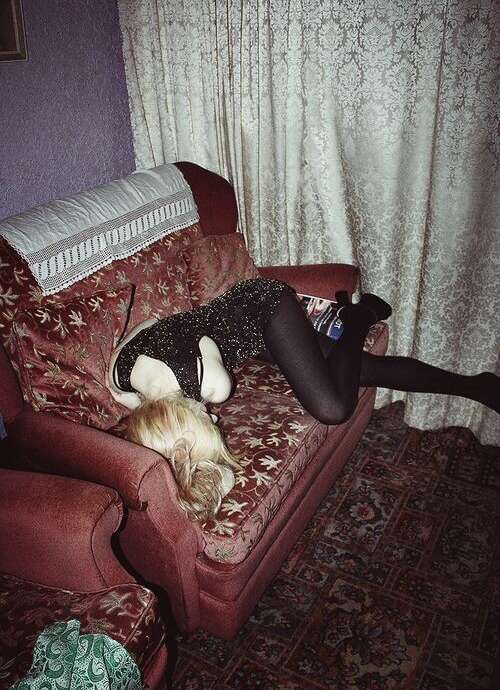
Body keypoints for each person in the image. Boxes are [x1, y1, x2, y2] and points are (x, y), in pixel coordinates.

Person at [108, 278, 500, 520]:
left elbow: (222, 469)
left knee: (333, 407)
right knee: (360, 369)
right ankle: (475, 385)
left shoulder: (213, 385)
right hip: (232, 335)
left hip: (262, 307)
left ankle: (356, 320)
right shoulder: (120, 378)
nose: (215, 420)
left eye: (206, 419)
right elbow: (150, 324)